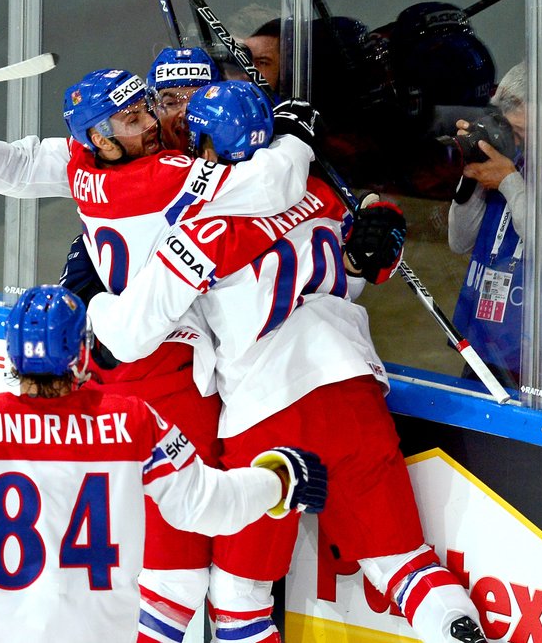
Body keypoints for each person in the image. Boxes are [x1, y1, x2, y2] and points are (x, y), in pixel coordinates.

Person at [87, 80, 490, 643]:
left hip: (271, 414)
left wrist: (98, 308)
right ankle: (458, 630)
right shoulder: (319, 193)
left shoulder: (204, 225)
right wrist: (374, 237)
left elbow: (131, 336)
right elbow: (346, 276)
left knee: (238, 597)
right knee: (403, 563)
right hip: (354, 391)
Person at [0, 284, 328, 643]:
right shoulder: (133, 422)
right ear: (82, 352)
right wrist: (278, 477)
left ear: (11, 353)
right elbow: (211, 507)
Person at [448, 60, 542, 400]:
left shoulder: (512, 172)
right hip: (488, 342)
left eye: (523, 131)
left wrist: (509, 181)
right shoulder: (513, 158)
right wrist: (472, 170)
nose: (514, 140)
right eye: (508, 128)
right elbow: (459, 241)